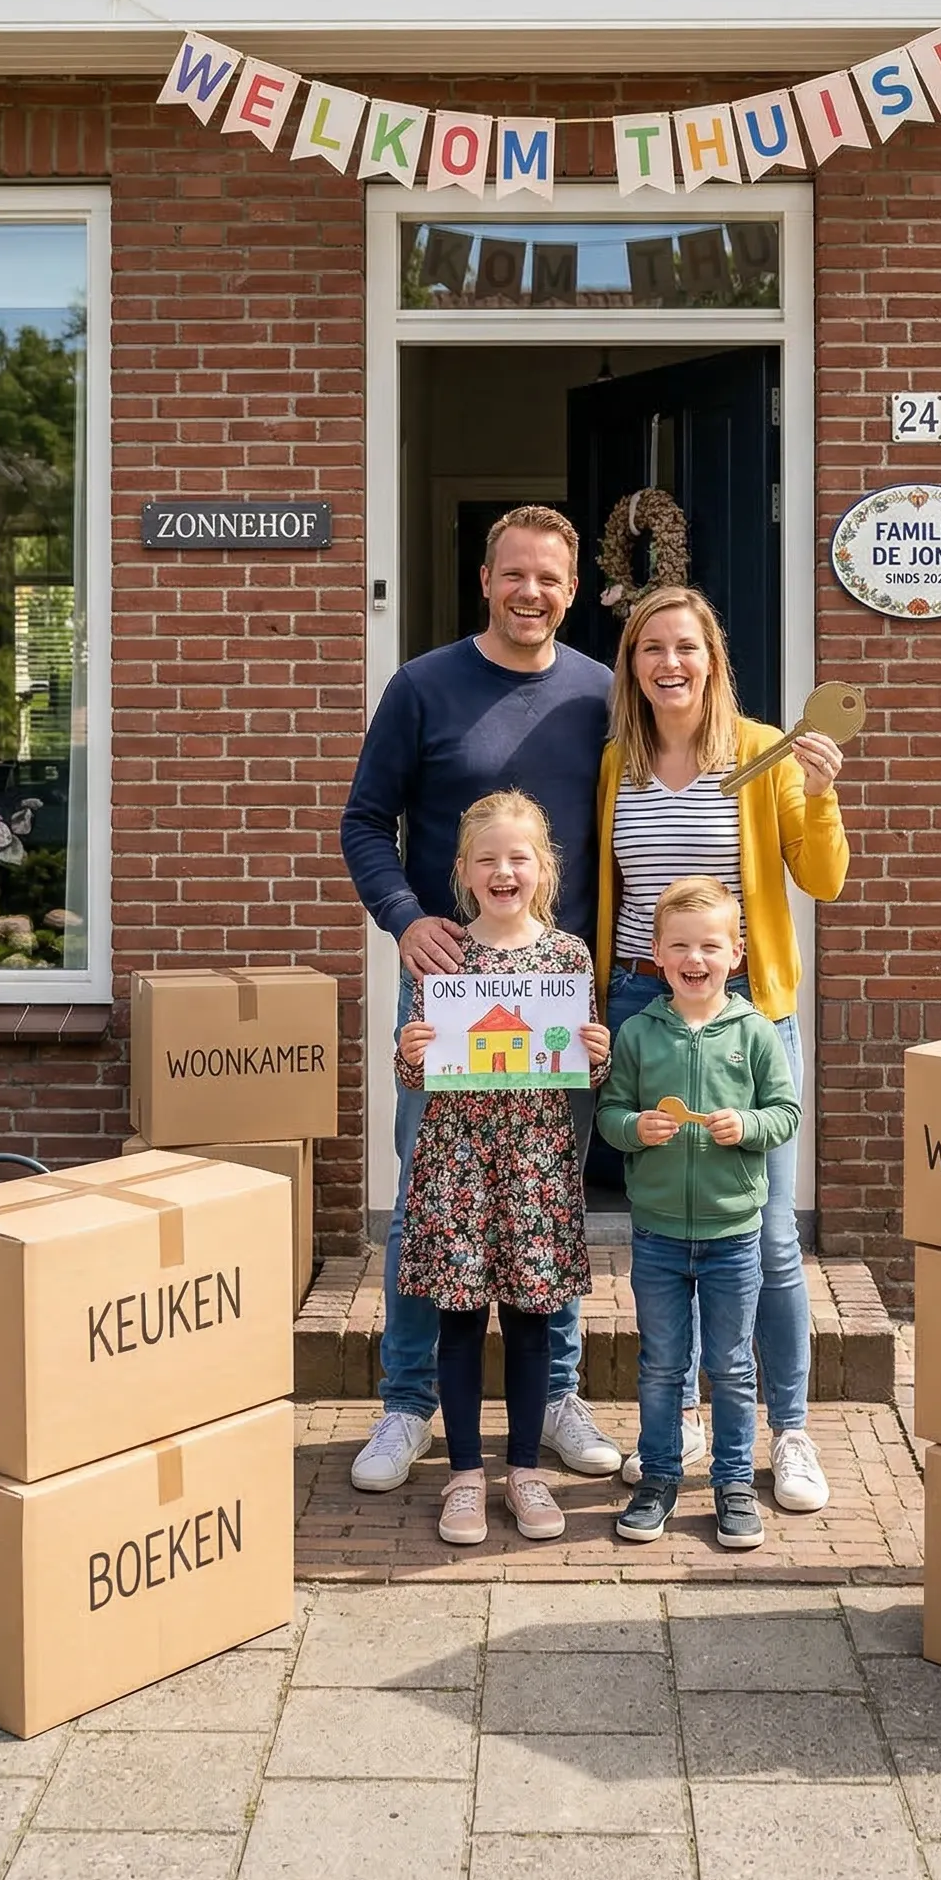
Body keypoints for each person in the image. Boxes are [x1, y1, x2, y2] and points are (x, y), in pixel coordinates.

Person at [339, 504, 623, 1492]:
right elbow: (365, 821)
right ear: (485, 580)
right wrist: (403, 917)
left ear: (572, 591)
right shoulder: (423, 686)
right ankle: (406, 1402)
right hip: (448, 987)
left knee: (552, 1193)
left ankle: (557, 1398)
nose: (529, 592)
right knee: (429, 1190)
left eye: (548, 578)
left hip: (556, 991)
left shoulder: (602, 695)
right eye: (513, 574)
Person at [596, 586, 849, 1512]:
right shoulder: (617, 763)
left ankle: (791, 1430)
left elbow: (822, 876)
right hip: (640, 1000)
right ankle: (689, 1417)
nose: (670, 664)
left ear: (714, 660)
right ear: (632, 665)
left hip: (744, 1009)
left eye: (686, 648)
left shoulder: (763, 751)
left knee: (768, 1234)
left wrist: (820, 795)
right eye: (651, 648)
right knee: (674, 1222)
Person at [397, 792, 610, 1544]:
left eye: (519, 858)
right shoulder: (444, 956)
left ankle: (523, 1470)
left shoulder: (568, 957)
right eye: (487, 859)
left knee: (531, 1321)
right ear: (463, 871)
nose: (503, 872)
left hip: (535, 1163)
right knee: (458, 1321)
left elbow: (582, 1071)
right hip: (457, 1161)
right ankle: (463, 1474)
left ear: (543, 868)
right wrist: (411, 1054)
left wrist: (597, 1055)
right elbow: (417, 1071)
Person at [598, 877, 800, 1549]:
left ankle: (733, 1483)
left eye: (711, 946)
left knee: (733, 1367)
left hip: (733, 1235)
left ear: (736, 955)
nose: (696, 959)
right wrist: (635, 1129)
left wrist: (748, 1125)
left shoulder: (757, 1033)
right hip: (656, 1233)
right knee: (660, 1365)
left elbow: (786, 1113)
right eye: (680, 946)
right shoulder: (637, 1034)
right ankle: (658, 1478)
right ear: (657, 955)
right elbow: (609, 1114)